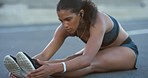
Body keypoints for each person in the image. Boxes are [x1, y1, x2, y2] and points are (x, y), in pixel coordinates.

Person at [10, 0, 138, 78]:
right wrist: (27, 65)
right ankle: (31, 73)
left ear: (81, 14)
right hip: (99, 50)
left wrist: (54, 68)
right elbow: (45, 54)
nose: (65, 24)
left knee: (88, 65)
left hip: (125, 50)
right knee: (68, 60)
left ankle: (42, 74)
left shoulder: (97, 21)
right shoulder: (63, 28)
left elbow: (87, 59)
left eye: (68, 19)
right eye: (61, 20)